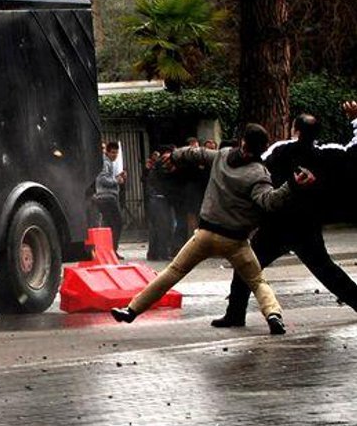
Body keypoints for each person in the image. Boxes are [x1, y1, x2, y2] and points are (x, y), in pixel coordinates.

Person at [110, 123, 316, 335]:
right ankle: (273, 315)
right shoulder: (258, 173)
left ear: (242, 140)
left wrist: (174, 156)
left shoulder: (223, 155)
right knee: (257, 281)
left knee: (173, 272)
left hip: (205, 234)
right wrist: (292, 185)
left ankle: (132, 310)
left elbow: (196, 153)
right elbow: (269, 202)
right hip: (236, 241)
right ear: (263, 148)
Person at [212, 105, 357, 327]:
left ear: (295, 130)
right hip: (307, 224)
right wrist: (355, 119)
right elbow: (352, 150)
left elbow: (256, 165)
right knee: (326, 270)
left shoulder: (280, 150)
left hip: (276, 225)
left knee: (247, 267)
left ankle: (235, 313)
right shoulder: (327, 154)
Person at [144, 145, 176, 261]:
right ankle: (162, 252)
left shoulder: (158, 166)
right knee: (164, 227)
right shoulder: (161, 167)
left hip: (159, 200)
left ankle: (154, 253)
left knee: (158, 228)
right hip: (159, 199)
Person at [93, 141, 126, 253]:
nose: (115, 155)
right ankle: (112, 250)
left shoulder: (108, 163)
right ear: (107, 152)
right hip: (107, 197)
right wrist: (117, 180)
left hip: (106, 197)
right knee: (117, 223)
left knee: (108, 224)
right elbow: (103, 179)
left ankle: (107, 251)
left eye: (116, 153)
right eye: (112, 153)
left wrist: (117, 177)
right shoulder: (104, 162)